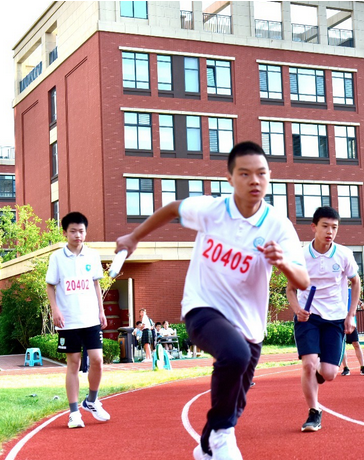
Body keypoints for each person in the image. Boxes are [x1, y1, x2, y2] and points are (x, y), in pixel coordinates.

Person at [115, 141, 310, 460]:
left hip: (249, 324)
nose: (254, 181)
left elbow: (303, 281)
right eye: (244, 174)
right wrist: (134, 237)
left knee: (236, 400)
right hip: (202, 309)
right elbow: (173, 208)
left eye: (261, 173)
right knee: (234, 355)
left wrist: (282, 262)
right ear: (230, 178)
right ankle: (220, 436)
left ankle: (206, 444)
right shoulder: (212, 210)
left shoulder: (278, 225)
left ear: (270, 176)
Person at [286, 206, 360, 433]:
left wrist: (351, 316)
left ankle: (319, 373)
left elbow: (355, 282)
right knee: (308, 364)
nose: (330, 231)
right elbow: (290, 289)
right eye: (325, 226)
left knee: (329, 374)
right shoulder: (300, 255)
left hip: (335, 317)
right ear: (313, 227)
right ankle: (314, 411)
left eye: (334, 227)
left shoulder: (344, 254)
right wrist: (298, 309)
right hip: (309, 317)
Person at [45, 211, 111, 429]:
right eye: (73, 231)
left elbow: (95, 284)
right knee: (73, 363)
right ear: (65, 232)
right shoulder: (56, 258)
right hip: (69, 320)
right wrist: (55, 310)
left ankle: (91, 401)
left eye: (81, 231)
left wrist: (101, 311)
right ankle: (74, 413)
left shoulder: (92, 256)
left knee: (98, 361)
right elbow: (50, 285)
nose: (78, 235)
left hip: (90, 318)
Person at [341, 299, 364, 376]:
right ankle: (345, 368)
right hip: (340, 321)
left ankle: (363, 367)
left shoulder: (350, 290)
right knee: (342, 345)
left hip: (350, 322)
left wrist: (361, 304)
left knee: (356, 343)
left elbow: (356, 298)